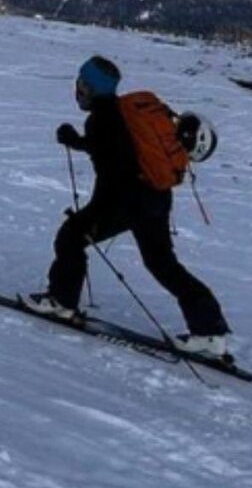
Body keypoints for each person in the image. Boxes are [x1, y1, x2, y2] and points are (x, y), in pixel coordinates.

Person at [25, 55, 232, 358]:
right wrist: (78, 142)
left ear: (91, 88)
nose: (78, 89)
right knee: (163, 264)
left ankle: (61, 303)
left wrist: (96, 212)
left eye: (82, 84)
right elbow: (115, 149)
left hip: (127, 200)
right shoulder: (121, 113)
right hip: (157, 197)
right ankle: (210, 333)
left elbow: (115, 165)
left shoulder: (101, 119)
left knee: (70, 236)